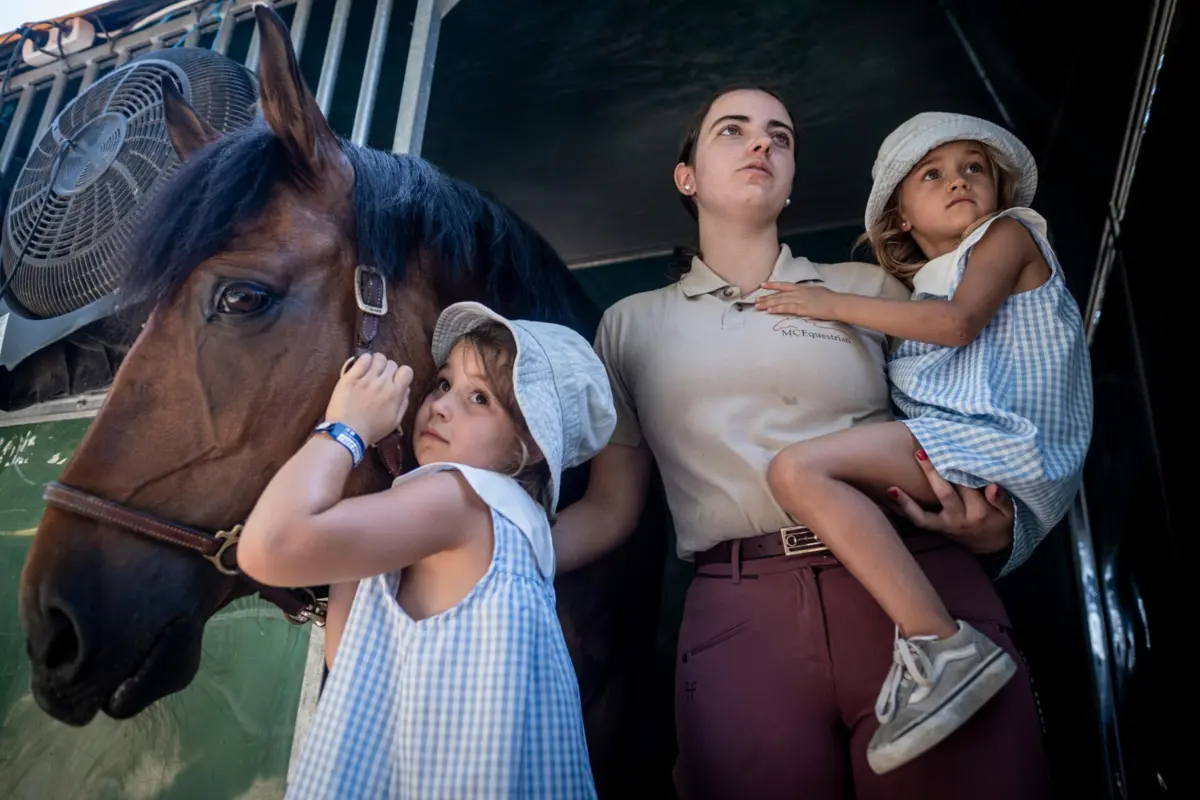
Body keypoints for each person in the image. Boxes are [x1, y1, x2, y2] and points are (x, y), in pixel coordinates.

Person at [550, 88, 1054, 798]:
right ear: (685, 176)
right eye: (734, 130)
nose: (761, 145)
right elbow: (611, 511)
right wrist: (492, 549)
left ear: (791, 181)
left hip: (914, 586)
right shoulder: (628, 326)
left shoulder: (873, 286)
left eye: (779, 137)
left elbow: (968, 418)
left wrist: (997, 522)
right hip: (741, 618)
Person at [755, 111, 1093, 773]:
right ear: (902, 219)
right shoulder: (918, 296)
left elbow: (959, 324)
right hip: (979, 469)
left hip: (1007, 443)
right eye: (932, 174)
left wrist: (829, 304)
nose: (959, 180)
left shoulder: (1010, 234)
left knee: (797, 471)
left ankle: (942, 645)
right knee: (821, 478)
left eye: (973, 167)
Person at [238, 301, 615, 799]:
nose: (440, 405)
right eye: (443, 383)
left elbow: (270, 547)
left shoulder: (462, 498)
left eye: (479, 398)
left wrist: (346, 428)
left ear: (531, 443)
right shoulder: (522, 530)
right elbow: (348, 653)